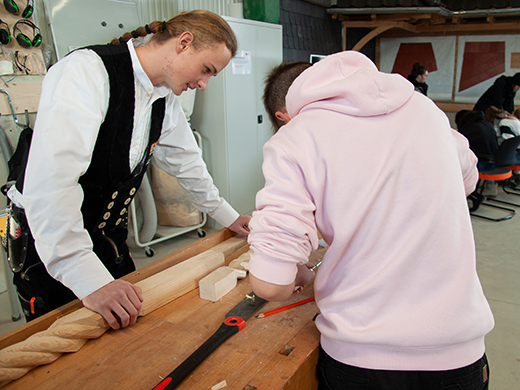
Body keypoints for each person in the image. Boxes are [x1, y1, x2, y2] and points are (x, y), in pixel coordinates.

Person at [248, 51, 494, 389]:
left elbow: (269, 284)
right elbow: (467, 179)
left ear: (286, 113)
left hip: (363, 357)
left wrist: (295, 269)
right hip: (458, 352)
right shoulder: (425, 109)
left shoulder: (296, 136)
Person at [5, 10, 251, 329]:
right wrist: (88, 279)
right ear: (184, 43)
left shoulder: (165, 98)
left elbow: (190, 168)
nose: (203, 84)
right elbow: (52, 188)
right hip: (50, 241)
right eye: (206, 70)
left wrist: (232, 219)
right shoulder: (86, 72)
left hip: (107, 237)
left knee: (128, 328)